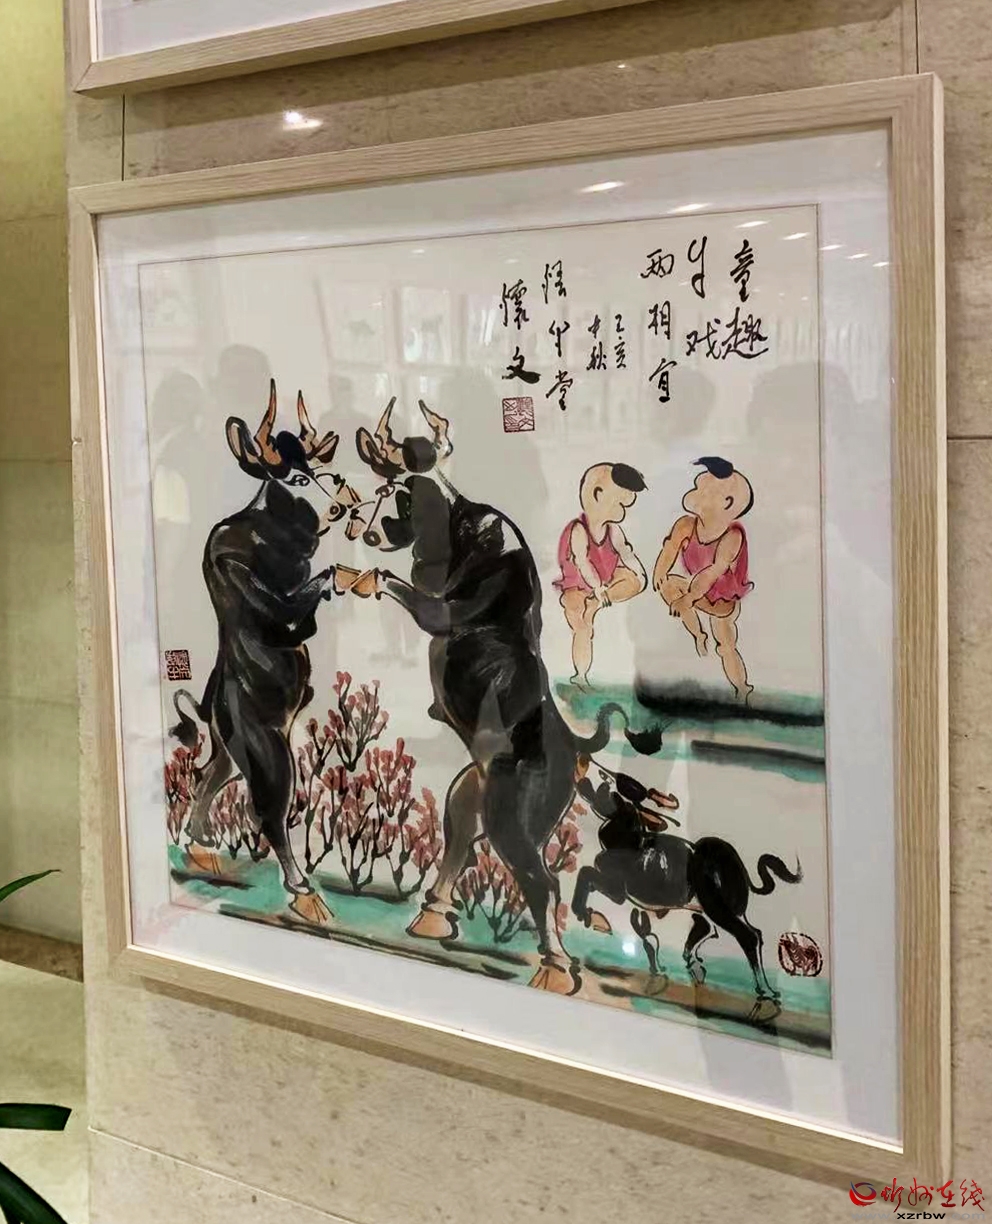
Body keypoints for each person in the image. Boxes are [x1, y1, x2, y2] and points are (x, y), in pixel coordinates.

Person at [653, 456, 755, 701]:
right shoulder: (686, 525)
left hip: (722, 602)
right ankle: (698, 634)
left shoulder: (732, 536)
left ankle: (742, 690)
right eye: (698, 484)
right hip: (694, 591)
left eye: (705, 487)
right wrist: (660, 571)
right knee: (668, 585)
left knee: (726, 645)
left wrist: (687, 599)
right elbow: (670, 548)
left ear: (727, 502)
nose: (696, 489)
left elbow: (711, 574)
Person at [555, 463, 647, 687]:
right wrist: (596, 587)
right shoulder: (578, 529)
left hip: (605, 582)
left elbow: (626, 552)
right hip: (578, 585)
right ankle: (581, 675)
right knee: (582, 626)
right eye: (620, 503)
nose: (623, 511)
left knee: (633, 581)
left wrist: (639, 574)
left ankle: (596, 602)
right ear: (597, 494)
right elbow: (582, 562)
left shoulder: (613, 529)